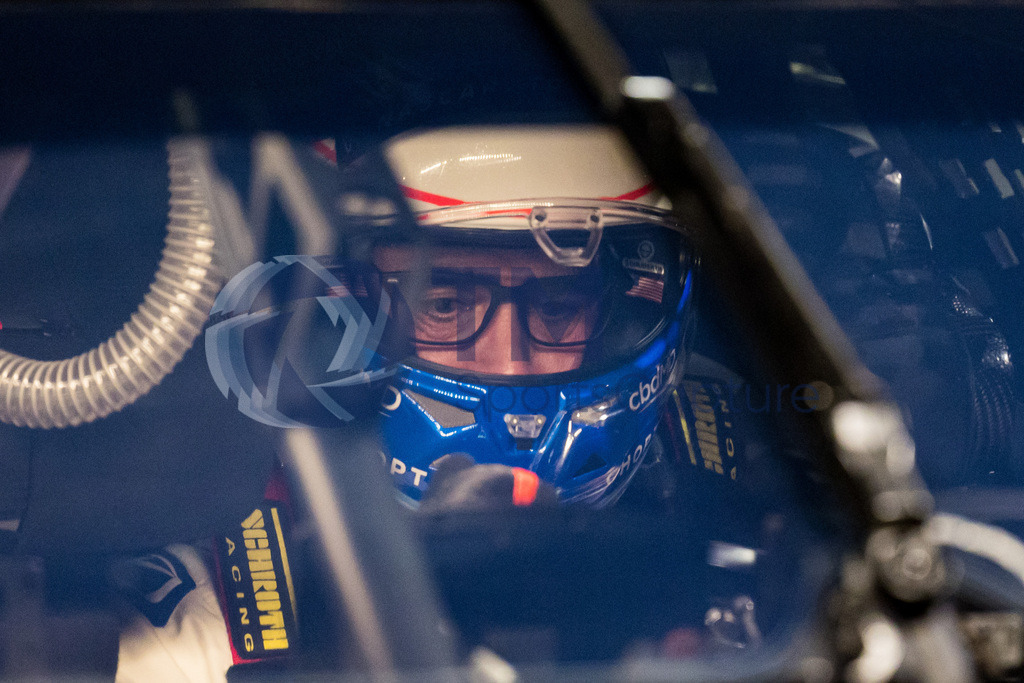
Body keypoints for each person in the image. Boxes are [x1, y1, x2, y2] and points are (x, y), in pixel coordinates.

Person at [114, 124, 704, 681]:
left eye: (556, 310)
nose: (511, 365)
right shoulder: (205, 637)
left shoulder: (745, 550)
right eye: (444, 307)